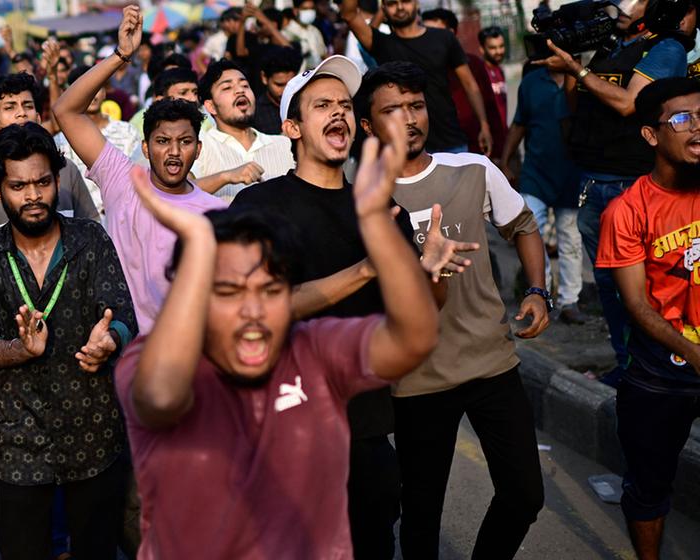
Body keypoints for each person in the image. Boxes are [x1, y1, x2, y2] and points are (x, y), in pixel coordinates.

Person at [116, 116, 439, 556]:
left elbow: (415, 338)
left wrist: (374, 224)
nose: (252, 310)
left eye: (268, 290)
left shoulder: (312, 349)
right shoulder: (157, 357)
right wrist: (198, 253)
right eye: (229, 291)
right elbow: (160, 397)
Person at [230, 54, 474, 559]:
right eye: (322, 105)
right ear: (292, 127)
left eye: (344, 104)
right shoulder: (258, 208)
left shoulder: (383, 208)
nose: (338, 112)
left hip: (364, 424)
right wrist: (366, 268)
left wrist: (429, 275)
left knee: (372, 540)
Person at [357, 62, 550, 559]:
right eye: (392, 110)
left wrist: (536, 291)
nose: (410, 118)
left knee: (525, 494)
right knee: (421, 515)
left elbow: (524, 226)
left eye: (416, 106)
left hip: (492, 364)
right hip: (417, 381)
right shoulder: (359, 199)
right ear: (367, 125)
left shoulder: (473, 170)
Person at [0, 122, 136, 558]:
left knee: (97, 550)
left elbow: (124, 314)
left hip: (93, 431)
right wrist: (20, 349)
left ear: (58, 181)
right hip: (19, 439)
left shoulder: (90, 239)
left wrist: (108, 341)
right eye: (19, 186)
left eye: (42, 182)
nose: (33, 195)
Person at [535, 0, 690, 387]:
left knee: (644, 291)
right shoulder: (609, 47)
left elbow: (629, 103)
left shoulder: (664, 49)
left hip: (630, 183)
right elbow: (578, 101)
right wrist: (573, 65)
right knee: (609, 288)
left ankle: (663, 367)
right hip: (593, 183)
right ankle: (627, 366)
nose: (619, 5)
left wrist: (577, 69)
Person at [54, 5, 228, 331]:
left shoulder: (215, 212)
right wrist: (122, 55)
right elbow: (66, 110)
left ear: (199, 149)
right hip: (123, 352)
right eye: (163, 141)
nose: (174, 152)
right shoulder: (122, 178)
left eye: (185, 142)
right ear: (145, 148)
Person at [597, 77, 700, 560]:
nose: (698, 128)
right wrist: (693, 353)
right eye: (683, 119)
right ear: (652, 135)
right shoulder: (627, 211)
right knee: (648, 487)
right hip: (662, 372)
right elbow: (636, 306)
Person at [0, 73, 99, 253]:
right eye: (10, 107)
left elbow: (92, 233)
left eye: (28, 105)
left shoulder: (66, 169)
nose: (21, 113)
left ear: (38, 118)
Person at [340, 0, 494, 153]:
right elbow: (349, 14)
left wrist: (484, 124)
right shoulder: (381, 43)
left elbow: (469, 84)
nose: (400, 7)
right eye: (392, 3)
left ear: (417, 3)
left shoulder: (444, 37)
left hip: (450, 142)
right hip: (404, 147)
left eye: (405, 1)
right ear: (384, 9)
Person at [500, 66, 587, 324]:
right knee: (529, 231)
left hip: (571, 173)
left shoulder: (583, 79)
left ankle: (570, 301)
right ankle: (541, 297)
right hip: (535, 173)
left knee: (570, 239)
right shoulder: (530, 82)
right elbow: (519, 124)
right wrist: (505, 161)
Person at [190, 59, 295, 201]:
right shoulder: (200, 145)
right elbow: (180, 193)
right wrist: (226, 177)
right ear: (211, 106)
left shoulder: (284, 145)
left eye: (245, 85)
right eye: (227, 88)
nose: (240, 90)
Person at [53, 65, 145, 213]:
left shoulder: (127, 131)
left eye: (98, 88)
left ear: (105, 92)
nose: (93, 95)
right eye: (85, 90)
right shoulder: (60, 142)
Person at [418, 9, 508, 159]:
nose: (428, 39)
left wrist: (500, 154)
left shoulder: (474, 65)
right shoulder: (420, 69)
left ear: (451, 34)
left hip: (476, 150)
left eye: (434, 33)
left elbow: (491, 108)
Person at [253, 46, 303, 135]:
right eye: (279, 85)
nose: (285, 91)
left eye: (290, 84)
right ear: (264, 78)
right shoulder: (255, 113)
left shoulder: (303, 103)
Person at [285, 0, 330, 68]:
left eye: (312, 9)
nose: (309, 12)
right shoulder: (287, 32)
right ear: (295, 11)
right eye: (305, 9)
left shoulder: (315, 31)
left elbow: (323, 54)